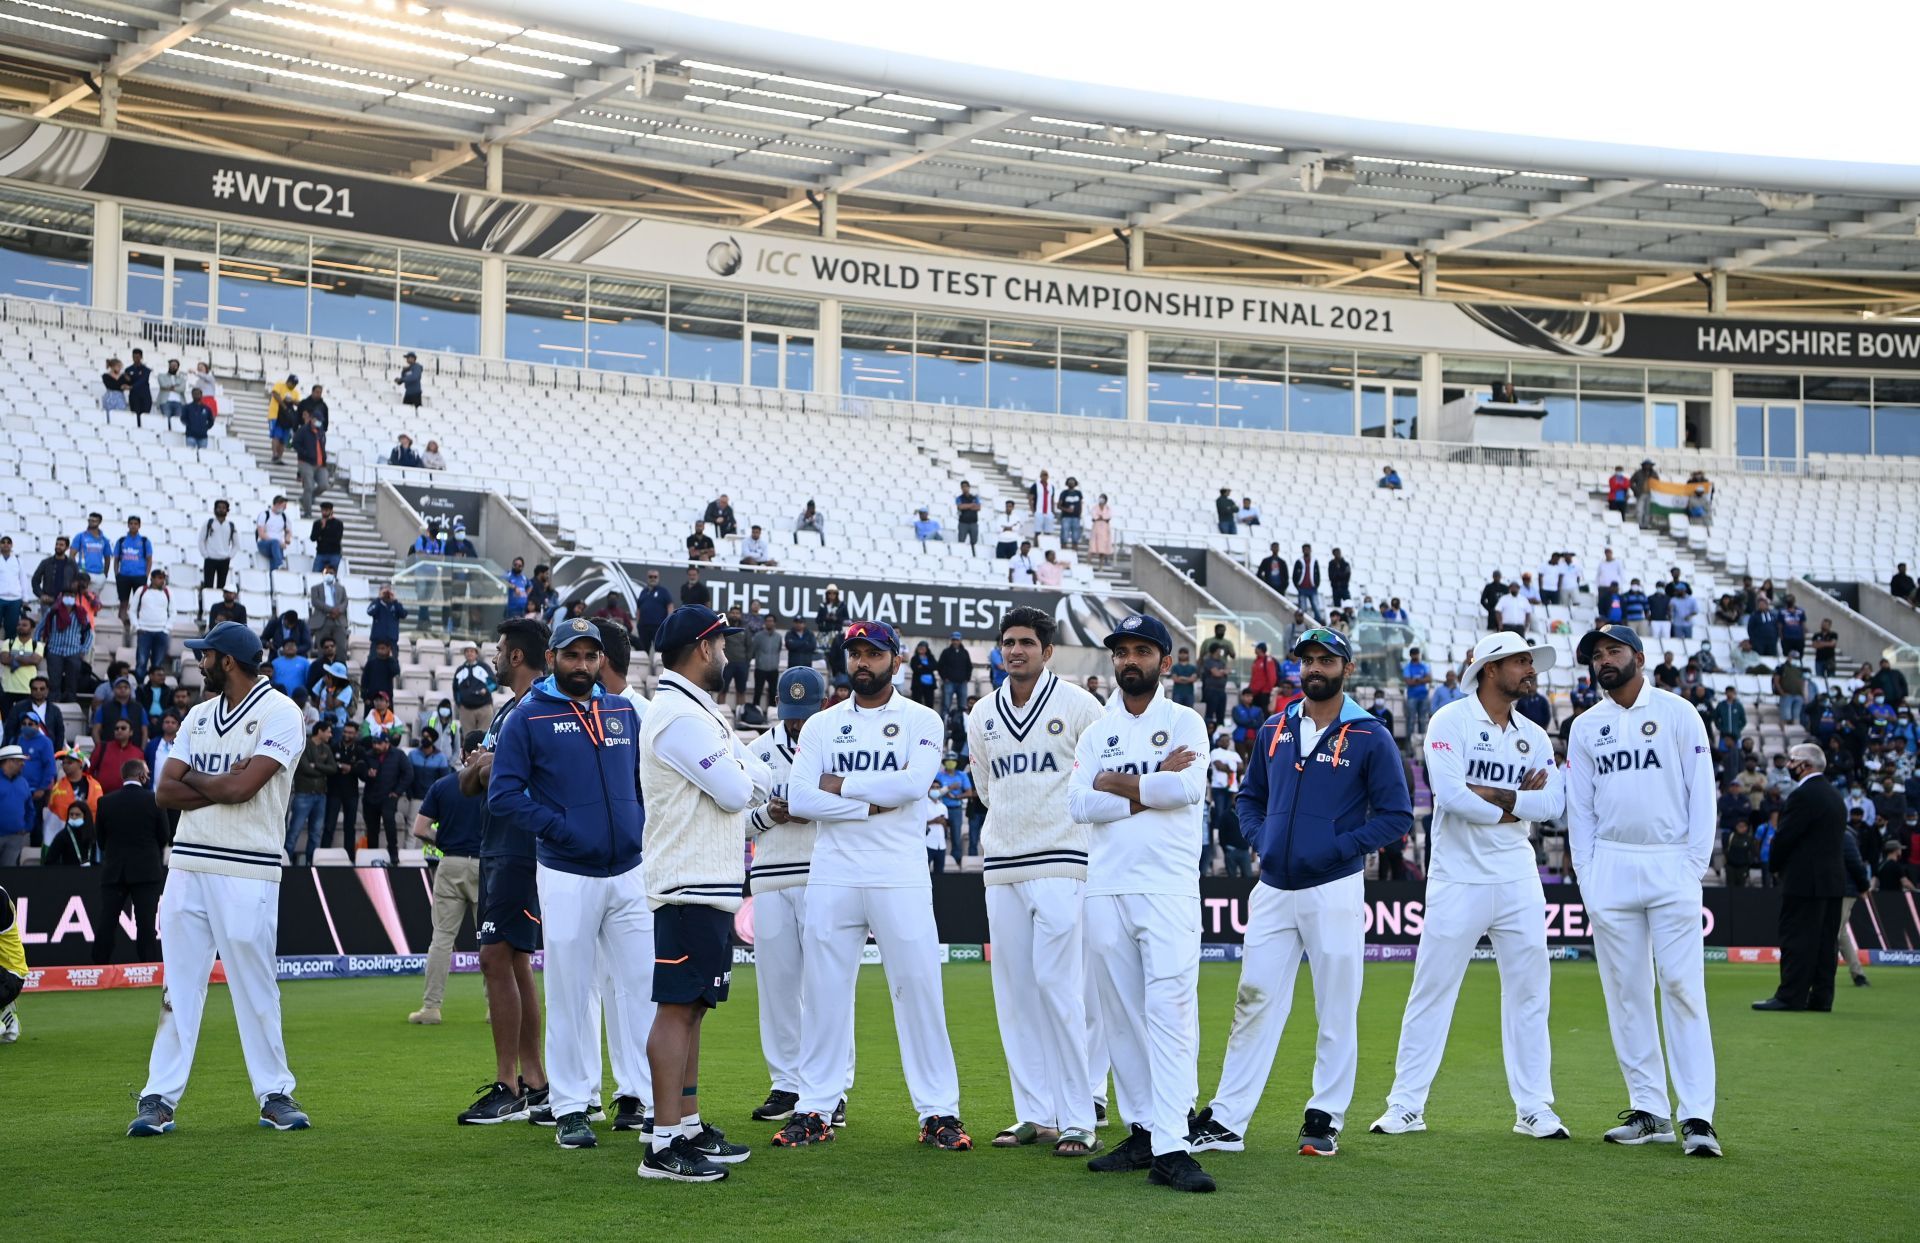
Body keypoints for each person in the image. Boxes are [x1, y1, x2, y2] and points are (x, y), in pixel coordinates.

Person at [1188, 627, 1411, 1162]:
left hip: (1334, 885)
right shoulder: (1274, 726)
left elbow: (1396, 816)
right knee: (1253, 1001)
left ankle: (1324, 1118)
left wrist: (1338, 847)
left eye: (1325, 660)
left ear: (1346, 668)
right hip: (1273, 887)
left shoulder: (1370, 734)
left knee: (1336, 1007)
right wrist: (1262, 838)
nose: (1314, 668)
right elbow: (1249, 798)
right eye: (1307, 660)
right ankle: (1225, 1121)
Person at [773, 621, 967, 1151]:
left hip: (898, 873)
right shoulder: (821, 724)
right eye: (855, 653)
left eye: (873, 654)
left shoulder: (922, 719)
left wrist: (839, 786)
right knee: (825, 994)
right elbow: (802, 799)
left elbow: (912, 785)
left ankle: (939, 1112)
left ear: (896, 661)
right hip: (833, 871)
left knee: (919, 990)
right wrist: (868, 803)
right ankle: (814, 1107)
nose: (863, 662)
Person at [1371, 632, 1566, 1139]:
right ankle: (1406, 1105)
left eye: (1530, 661)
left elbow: (1551, 806)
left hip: (1518, 875)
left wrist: (1494, 797)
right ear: (1490, 667)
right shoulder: (1450, 720)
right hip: (1458, 876)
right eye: (1521, 661)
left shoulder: (1535, 734)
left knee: (1530, 993)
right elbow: (1452, 797)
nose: (1530, 669)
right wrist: (1515, 801)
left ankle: (1535, 1109)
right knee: (1432, 991)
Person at [129, 622, 308, 1138]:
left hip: (248, 865)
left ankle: (274, 1092)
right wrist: (226, 785)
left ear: (227, 661)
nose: (199, 663)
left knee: (255, 984)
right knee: (178, 986)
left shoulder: (282, 712)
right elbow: (165, 791)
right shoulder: (200, 714)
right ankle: (158, 1098)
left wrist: (218, 784)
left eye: (205, 656)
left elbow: (246, 787)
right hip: (187, 862)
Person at [486, 617, 645, 1149]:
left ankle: (640, 1096)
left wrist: (637, 827)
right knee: (571, 993)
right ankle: (572, 1106)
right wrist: (560, 828)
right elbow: (503, 795)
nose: (582, 665)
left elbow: (643, 783)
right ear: (551, 657)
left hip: (629, 870)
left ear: (602, 660)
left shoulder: (622, 710)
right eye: (571, 655)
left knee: (639, 990)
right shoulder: (527, 718)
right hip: (567, 871)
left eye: (590, 656)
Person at [1067, 613, 1214, 1192]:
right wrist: (1146, 785)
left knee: (1172, 1015)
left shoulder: (1186, 721)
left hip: (1168, 888)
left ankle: (1175, 1144)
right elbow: (1078, 805)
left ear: (1165, 662)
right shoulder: (1095, 731)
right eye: (1122, 651)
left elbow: (1184, 790)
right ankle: (1145, 1130)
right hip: (1105, 887)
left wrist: (1114, 782)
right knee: (1121, 1020)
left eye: (1142, 650)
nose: (1130, 659)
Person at [1566, 624, 1720, 1157]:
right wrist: (1587, 873)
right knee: (1627, 994)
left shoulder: (1679, 712)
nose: (1604, 661)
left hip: (1669, 863)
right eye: (1597, 656)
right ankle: (1650, 1110)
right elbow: (1580, 809)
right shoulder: (1586, 726)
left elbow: (1703, 793)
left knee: (1681, 987)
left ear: (1638, 655)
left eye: (1613, 651)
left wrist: (1692, 865)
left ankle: (1697, 1116)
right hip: (1610, 866)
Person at [966, 605, 1106, 1155]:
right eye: (1008, 642)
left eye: (1026, 642)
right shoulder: (981, 712)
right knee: (1015, 994)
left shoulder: (1079, 705)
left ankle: (1078, 1115)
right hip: (1002, 864)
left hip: (1063, 860)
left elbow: (1098, 779)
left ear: (1048, 651)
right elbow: (984, 788)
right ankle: (1035, 1113)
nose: (1016, 650)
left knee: (1059, 989)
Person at [635, 606, 769, 1179]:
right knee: (678, 1006)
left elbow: (747, 781)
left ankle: (685, 1126)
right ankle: (663, 1144)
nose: (726, 653)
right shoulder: (678, 716)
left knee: (693, 1009)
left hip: (705, 881)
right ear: (700, 647)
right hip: (688, 881)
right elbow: (741, 790)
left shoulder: (694, 710)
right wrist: (743, 774)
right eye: (720, 643)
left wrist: (743, 774)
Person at [744, 666, 854, 1125]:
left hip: (823, 877)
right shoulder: (755, 752)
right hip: (769, 877)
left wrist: (817, 809)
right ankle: (786, 1084)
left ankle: (833, 1088)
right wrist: (769, 815)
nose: (797, 724)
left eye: (804, 715)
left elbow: (858, 807)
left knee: (829, 987)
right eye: (790, 716)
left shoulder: (839, 745)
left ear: (822, 706)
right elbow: (735, 821)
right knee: (777, 989)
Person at [456, 617, 552, 1126]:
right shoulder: (503, 713)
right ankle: (534, 1083)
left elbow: (500, 771)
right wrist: (483, 763)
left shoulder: (538, 706)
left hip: (519, 846)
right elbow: (469, 782)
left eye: (498, 649)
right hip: (495, 845)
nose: (493, 656)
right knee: (513, 962)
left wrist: (487, 764)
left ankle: (509, 1084)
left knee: (496, 957)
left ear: (515, 656)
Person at [1753, 744, 1848, 1013]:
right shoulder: (1834, 795)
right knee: (1825, 943)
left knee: (1797, 939)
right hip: (1831, 881)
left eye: (1793, 761)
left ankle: (1790, 996)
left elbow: (1785, 838)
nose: (1789, 766)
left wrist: (1775, 866)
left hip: (1805, 881)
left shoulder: (1802, 795)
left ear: (1805, 765)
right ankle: (1821, 998)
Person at [408, 730, 487, 1025]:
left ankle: (431, 1007)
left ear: (462, 753)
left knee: (441, 939)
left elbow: (419, 829)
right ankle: (497, 1008)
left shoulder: (442, 786)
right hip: (486, 865)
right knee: (491, 941)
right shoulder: (495, 784)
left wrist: (443, 841)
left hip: (451, 862)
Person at [90, 759, 168, 960]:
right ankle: (149, 968)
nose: (148, 777)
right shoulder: (155, 800)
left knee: (107, 922)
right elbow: (164, 836)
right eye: (147, 774)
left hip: (115, 870)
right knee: (146, 924)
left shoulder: (105, 802)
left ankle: (98, 968)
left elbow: (101, 840)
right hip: (147, 872)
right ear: (141, 776)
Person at [0, 746, 33, 866]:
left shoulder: (23, 782)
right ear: (9, 762)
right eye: (19, 761)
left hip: (15, 838)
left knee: (8, 876)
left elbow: (30, 808)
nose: (23, 764)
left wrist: (27, 827)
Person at [254, 496, 294, 573]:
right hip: (264, 544)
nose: (285, 508)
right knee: (275, 543)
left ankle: (274, 576)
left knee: (276, 553)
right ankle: (280, 564)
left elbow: (288, 531)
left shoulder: (284, 516)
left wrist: (287, 539)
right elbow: (261, 534)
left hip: (277, 546)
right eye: (283, 506)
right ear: (277, 504)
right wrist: (278, 542)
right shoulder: (264, 514)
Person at [1402, 647, 1433, 739]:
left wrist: (1417, 680)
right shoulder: (1407, 667)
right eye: (1414, 654)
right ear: (1411, 655)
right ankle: (1409, 745)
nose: (1416, 656)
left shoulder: (1424, 665)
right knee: (1411, 720)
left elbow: (1429, 679)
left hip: (1423, 696)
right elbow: (1408, 682)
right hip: (1412, 696)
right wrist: (1422, 680)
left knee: (1422, 720)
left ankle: (1422, 742)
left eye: (1417, 654)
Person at [1292, 545, 1322, 618]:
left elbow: (1318, 574)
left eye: (1308, 549)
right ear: (1302, 550)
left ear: (1310, 550)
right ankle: (1304, 625)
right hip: (1302, 588)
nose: (1306, 551)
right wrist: (1297, 585)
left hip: (1312, 588)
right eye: (1304, 549)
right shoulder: (1299, 561)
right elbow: (1294, 575)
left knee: (1316, 607)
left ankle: (1319, 624)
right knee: (1303, 609)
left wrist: (1316, 584)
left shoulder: (1314, 561)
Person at [1057, 478, 1085, 548]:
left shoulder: (1078, 493)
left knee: (1075, 537)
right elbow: (1058, 506)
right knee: (1064, 535)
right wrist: (1066, 509)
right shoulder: (1064, 493)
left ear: (1075, 483)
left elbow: (1081, 504)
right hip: (1066, 517)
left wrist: (1080, 513)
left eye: (1072, 482)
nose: (1071, 483)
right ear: (1067, 483)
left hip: (1076, 517)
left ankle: (1074, 552)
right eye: (1070, 482)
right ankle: (1063, 551)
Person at [1088, 494, 1114, 568]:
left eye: (1102, 499)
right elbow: (1094, 516)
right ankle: (1088, 564)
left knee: (1102, 548)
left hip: (1105, 529)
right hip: (1096, 528)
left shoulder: (1108, 508)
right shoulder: (1095, 508)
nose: (1101, 500)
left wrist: (1101, 517)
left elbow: (1108, 517)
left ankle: (1100, 566)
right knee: (1093, 546)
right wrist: (1100, 518)